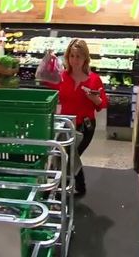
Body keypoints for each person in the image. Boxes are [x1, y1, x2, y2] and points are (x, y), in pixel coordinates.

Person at [45, 39, 108, 197]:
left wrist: (94, 99)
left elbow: (102, 104)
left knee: (69, 156)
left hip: (85, 127)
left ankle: (60, 191)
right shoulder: (62, 77)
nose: (75, 60)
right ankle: (79, 186)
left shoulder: (93, 79)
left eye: (79, 56)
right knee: (70, 156)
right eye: (72, 56)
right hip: (66, 124)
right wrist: (48, 60)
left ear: (85, 58)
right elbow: (45, 80)